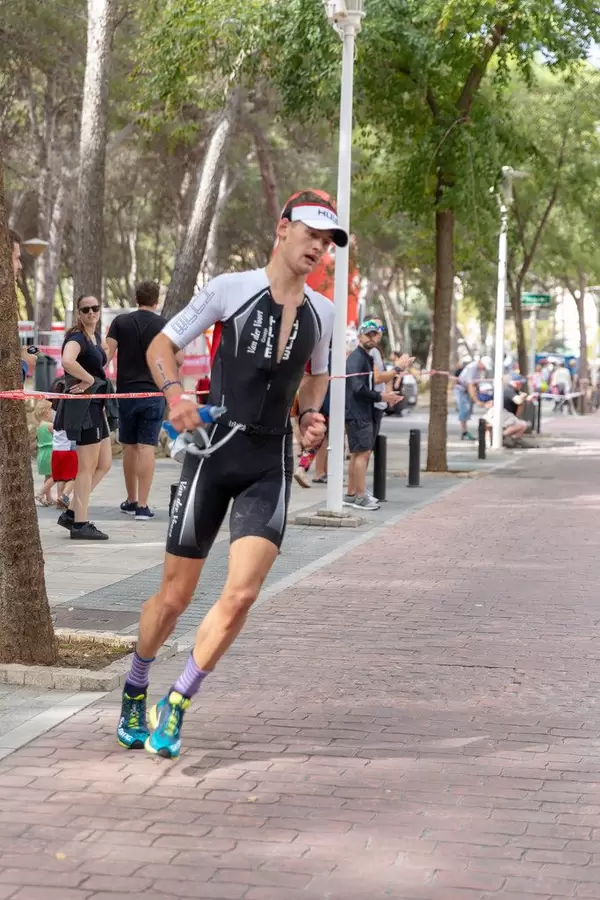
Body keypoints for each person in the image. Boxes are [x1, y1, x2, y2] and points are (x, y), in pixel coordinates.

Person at [117, 189, 341, 758]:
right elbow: (163, 345)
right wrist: (173, 396)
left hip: (269, 464)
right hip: (210, 457)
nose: (318, 247)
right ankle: (137, 685)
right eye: (311, 233)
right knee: (173, 599)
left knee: (241, 596)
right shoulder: (229, 289)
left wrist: (311, 418)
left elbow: (316, 378)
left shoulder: (326, 313)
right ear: (282, 228)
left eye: (328, 241)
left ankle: (179, 701)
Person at [106, 281, 183, 521]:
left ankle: (130, 499)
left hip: (126, 392)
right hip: (153, 393)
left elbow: (106, 354)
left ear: (136, 298)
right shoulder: (165, 325)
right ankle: (143, 505)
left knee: (129, 446)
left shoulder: (120, 322)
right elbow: (179, 358)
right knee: (146, 446)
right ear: (155, 300)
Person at [55, 295, 114, 540]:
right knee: (87, 468)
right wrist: (88, 380)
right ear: (78, 313)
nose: (91, 313)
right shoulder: (76, 337)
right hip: (84, 408)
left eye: (95, 308)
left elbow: (95, 365)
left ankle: (71, 513)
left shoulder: (95, 338)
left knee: (104, 464)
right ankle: (80, 523)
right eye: (85, 309)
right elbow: (67, 360)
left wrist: (105, 355)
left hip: (97, 406)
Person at [343, 321, 401, 510]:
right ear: (360, 336)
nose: (371, 338)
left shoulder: (365, 357)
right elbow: (358, 387)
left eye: (374, 334)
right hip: (358, 411)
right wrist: (382, 395)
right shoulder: (357, 358)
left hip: (360, 410)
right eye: (368, 334)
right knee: (363, 453)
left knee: (358, 452)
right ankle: (360, 496)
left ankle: (352, 494)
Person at [455, 357, 487, 440]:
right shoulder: (472, 367)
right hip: (461, 389)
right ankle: (464, 432)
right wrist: (476, 400)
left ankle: (465, 432)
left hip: (466, 390)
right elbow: (470, 385)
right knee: (465, 409)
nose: (484, 369)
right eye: (484, 367)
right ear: (481, 363)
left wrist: (479, 392)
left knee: (468, 411)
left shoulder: (478, 369)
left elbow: (475, 383)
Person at [33, 400, 55, 506]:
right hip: (50, 452)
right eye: (51, 411)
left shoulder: (39, 426)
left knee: (48, 476)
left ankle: (48, 498)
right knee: (56, 475)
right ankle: (40, 493)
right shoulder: (49, 425)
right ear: (46, 412)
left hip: (42, 453)